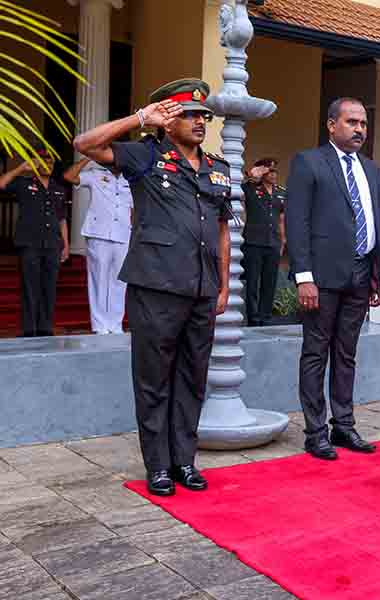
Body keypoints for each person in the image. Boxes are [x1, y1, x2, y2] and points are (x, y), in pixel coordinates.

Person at [73, 78, 231, 496]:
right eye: (190, 115)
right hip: (156, 287)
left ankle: (184, 461)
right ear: (168, 120)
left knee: (193, 379)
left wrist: (222, 284)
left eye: (204, 116)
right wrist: (140, 118)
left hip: (201, 288)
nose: (200, 122)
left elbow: (221, 230)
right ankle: (158, 466)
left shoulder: (218, 167)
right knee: (153, 380)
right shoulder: (145, 155)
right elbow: (84, 144)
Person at [285, 97, 380, 461]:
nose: (360, 129)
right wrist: (303, 277)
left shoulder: (373, 171)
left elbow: (379, 224)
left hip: (361, 276)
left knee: (347, 355)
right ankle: (316, 432)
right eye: (351, 122)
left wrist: (379, 274)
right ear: (331, 125)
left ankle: (343, 425)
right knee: (316, 353)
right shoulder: (309, 162)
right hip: (321, 279)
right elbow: (297, 224)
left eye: (363, 123)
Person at [0, 148, 70, 337]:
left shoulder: (59, 188)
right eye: (42, 160)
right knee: (30, 287)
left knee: (49, 288)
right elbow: (1, 183)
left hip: (53, 244)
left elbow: (62, 218)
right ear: (35, 163)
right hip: (30, 242)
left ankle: (45, 329)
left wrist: (66, 244)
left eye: (50, 161)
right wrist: (21, 168)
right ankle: (29, 330)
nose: (46, 164)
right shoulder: (23, 183)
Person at [63, 158, 132, 334]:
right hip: (98, 233)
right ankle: (100, 325)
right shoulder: (95, 175)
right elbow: (69, 176)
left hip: (123, 233)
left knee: (120, 282)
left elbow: (134, 209)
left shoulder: (130, 179)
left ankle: (115, 324)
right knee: (98, 279)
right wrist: (88, 157)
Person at [241, 157, 286, 326]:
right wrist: (252, 175)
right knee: (253, 282)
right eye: (269, 171)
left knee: (270, 282)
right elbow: (236, 188)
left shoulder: (281, 192)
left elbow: (282, 219)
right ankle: (253, 318)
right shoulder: (250, 188)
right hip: (253, 242)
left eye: (274, 171)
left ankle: (265, 317)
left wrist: (283, 241)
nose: (273, 174)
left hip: (273, 243)